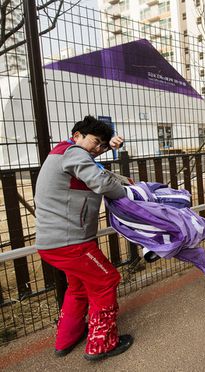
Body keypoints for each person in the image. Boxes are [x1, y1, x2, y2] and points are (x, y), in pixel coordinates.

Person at [34, 116, 133, 361]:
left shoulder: (65, 153)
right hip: (71, 243)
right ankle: (102, 344)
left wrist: (109, 147)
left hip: (55, 243)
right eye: (96, 143)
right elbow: (99, 180)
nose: (98, 149)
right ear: (77, 135)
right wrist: (129, 192)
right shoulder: (74, 152)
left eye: (102, 146)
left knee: (78, 287)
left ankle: (66, 338)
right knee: (106, 280)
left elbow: (93, 169)